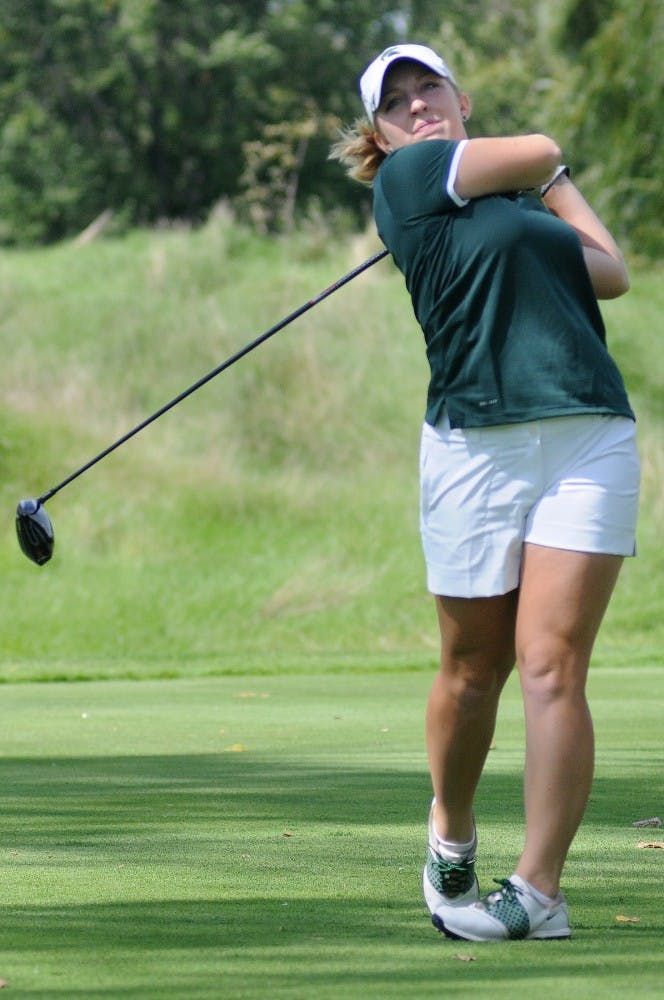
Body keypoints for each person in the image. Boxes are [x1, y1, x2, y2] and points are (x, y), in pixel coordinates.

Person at [330, 43, 640, 942]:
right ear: (381, 139)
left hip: (589, 434)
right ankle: (451, 828)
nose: (419, 106)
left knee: (551, 666)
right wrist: (545, 171)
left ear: (462, 98)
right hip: (475, 447)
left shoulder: (507, 199)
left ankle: (538, 892)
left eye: (431, 89)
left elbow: (609, 270)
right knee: (475, 672)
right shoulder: (411, 177)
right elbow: (541, 145)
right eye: (398, 103)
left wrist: (541, 187)